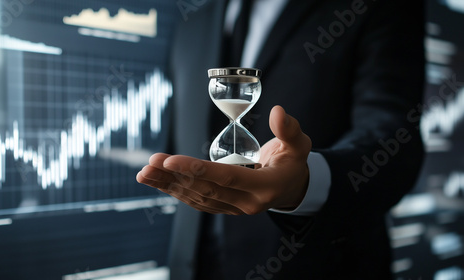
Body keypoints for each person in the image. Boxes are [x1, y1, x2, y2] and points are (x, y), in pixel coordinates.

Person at [137, 0, 425, 279]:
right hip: (194, 266)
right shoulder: (194, 20)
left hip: (315, 265)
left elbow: (393, 135)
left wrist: (307, 182)